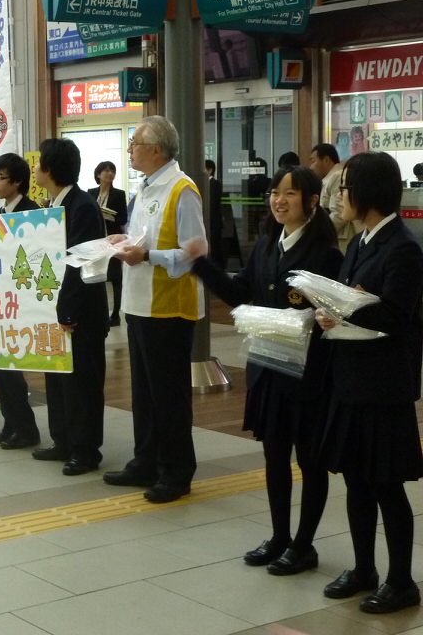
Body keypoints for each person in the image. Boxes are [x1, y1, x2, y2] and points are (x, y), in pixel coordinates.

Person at [186, 166, 342, 575]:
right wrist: (201, 265)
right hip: (268, 368)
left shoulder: (325, 253)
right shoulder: (268, 244)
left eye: (289, 194)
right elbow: (241, 295)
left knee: (310, 461)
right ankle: (279, 537)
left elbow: (331, 314)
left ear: (311, 201)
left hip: (306, 374)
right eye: (275, 192)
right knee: (274, 457)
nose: (279, 200)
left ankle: (304, 544)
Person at [314, 150, 423, 615]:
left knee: (386, 485)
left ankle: (402, 581)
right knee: (355, 481)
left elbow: (398, 317)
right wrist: (332, 307)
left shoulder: (403, 247)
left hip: (383, 387)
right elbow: (349, 300)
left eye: (345, 187)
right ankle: (364, 569)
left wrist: (349, 305)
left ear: (368, 192)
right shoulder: (358, 244)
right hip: (351, 379)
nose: (340, 196)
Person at [104, 115, 206, 504]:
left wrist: (146, 254)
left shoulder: (183, 190)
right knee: (144, 392)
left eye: (135, 143)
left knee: (169, 395)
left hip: (170, 307)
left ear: (157, 150)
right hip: (140, 303)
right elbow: (143, 238)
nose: (129, 150)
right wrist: (123, 240)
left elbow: (196, 251)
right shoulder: (143, 189)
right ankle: (145, 460)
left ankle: (177, 471)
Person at [30, 138, 107, 475]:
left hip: (81, 313)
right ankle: (63, 440)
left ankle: (85, 450)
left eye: (39, 162)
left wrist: (69, 310)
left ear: (50, 169)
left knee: (82, 384)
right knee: (59, 378)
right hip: (59, 308)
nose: (34, 168)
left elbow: (81, 264)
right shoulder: (54, 204)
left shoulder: (82, 207)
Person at [0, 152, 41, 449]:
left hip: (22, 302)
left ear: (17, 181)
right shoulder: (1, 213)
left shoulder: (30, 213)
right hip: (0, 301)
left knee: (11, 368)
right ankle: (10, 423)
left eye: (0, 177)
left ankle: (26, 429)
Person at [87, 161, 127, 325]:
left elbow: (123, 218)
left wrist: (108, 216)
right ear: (98, 174)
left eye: (112, 171)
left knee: (115, 278)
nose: (109, 173)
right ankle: (99, 312)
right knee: (97, 277)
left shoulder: (119, 194)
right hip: (96, 240)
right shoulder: (90, 193)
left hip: (113, 239)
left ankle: (116, 314)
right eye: (105, 170)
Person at [308, 143, 358, 252]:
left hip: (341, 237)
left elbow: (339, 212)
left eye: (313, 161)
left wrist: (320, 233)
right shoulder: (328, 179)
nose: (311, 167)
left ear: (326, 160)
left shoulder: (338, 176)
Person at [204, 159, 224, 268]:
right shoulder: (204, 184)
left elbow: (212, 204)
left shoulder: (214, 184)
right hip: (208, 222)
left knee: (215, 247)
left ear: (210, 170)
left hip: (213, 222)